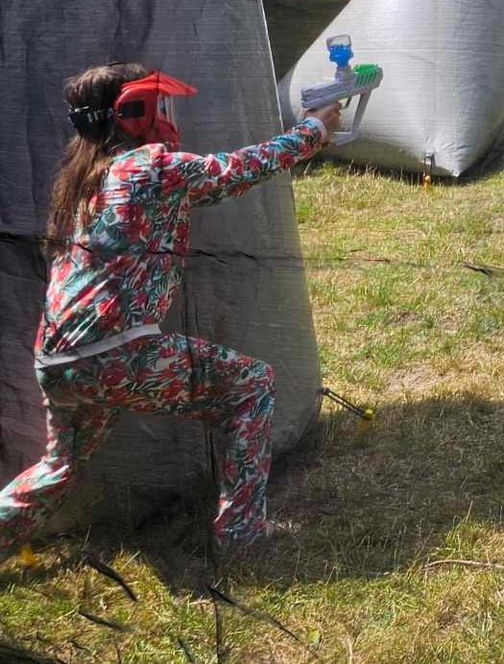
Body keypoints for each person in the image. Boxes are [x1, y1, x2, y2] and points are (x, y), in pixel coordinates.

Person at [0, 63, 340, 556]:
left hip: (57, 361)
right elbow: (238, 169)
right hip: (117, 353)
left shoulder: (83, 181)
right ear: (133, 112)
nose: (165, 114)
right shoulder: (149, 169)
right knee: (251, 385)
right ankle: (241, 532)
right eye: (155, 104)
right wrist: (314, 130)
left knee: (59, 466)